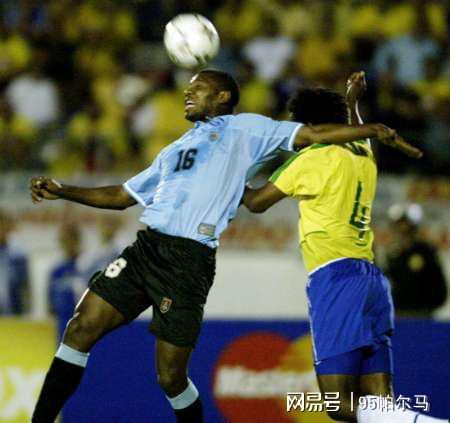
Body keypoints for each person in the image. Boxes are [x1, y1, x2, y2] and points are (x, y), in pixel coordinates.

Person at [29, 69, 420, 423]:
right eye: (188, 88)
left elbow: (314, 136)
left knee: (170, 377)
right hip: (145, 249)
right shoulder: (174, 149)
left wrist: (372, 128)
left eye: (198, 88)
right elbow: (121, 196)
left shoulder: (247, 128)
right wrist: (62, 190)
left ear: (223, 97)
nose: (188, 93)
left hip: (188, 261)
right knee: (79, 328)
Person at [243, 72, 445, 423]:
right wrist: (352, 102)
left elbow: (256, 203)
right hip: (372, 281)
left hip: (335, 280)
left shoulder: (310, 160)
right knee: (380, 406)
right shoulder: (363, 152)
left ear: (309, 127)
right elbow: (357, 132)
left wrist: (229, 174)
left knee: (338, 404)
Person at [385, 203, 447, 318]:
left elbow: (439, 285)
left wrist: (428, 308)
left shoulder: (426, 251)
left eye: (406, 226)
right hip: (398, 315)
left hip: (423, 315)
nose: (402, 230)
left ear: (413, 228)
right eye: (398, 226)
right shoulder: (392, 254)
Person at [48, 223, 85, 337]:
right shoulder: (56, 271)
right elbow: (51, 306)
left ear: (77, 240)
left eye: (71, 239)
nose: (68, 244)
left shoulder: (86, 267)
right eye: (64, 240)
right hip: (62, 326)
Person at [0, 209, 29, 315]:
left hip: (13, 314)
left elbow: (25, 287)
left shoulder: (18, 255)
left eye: (2, 225)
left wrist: (26, 311)